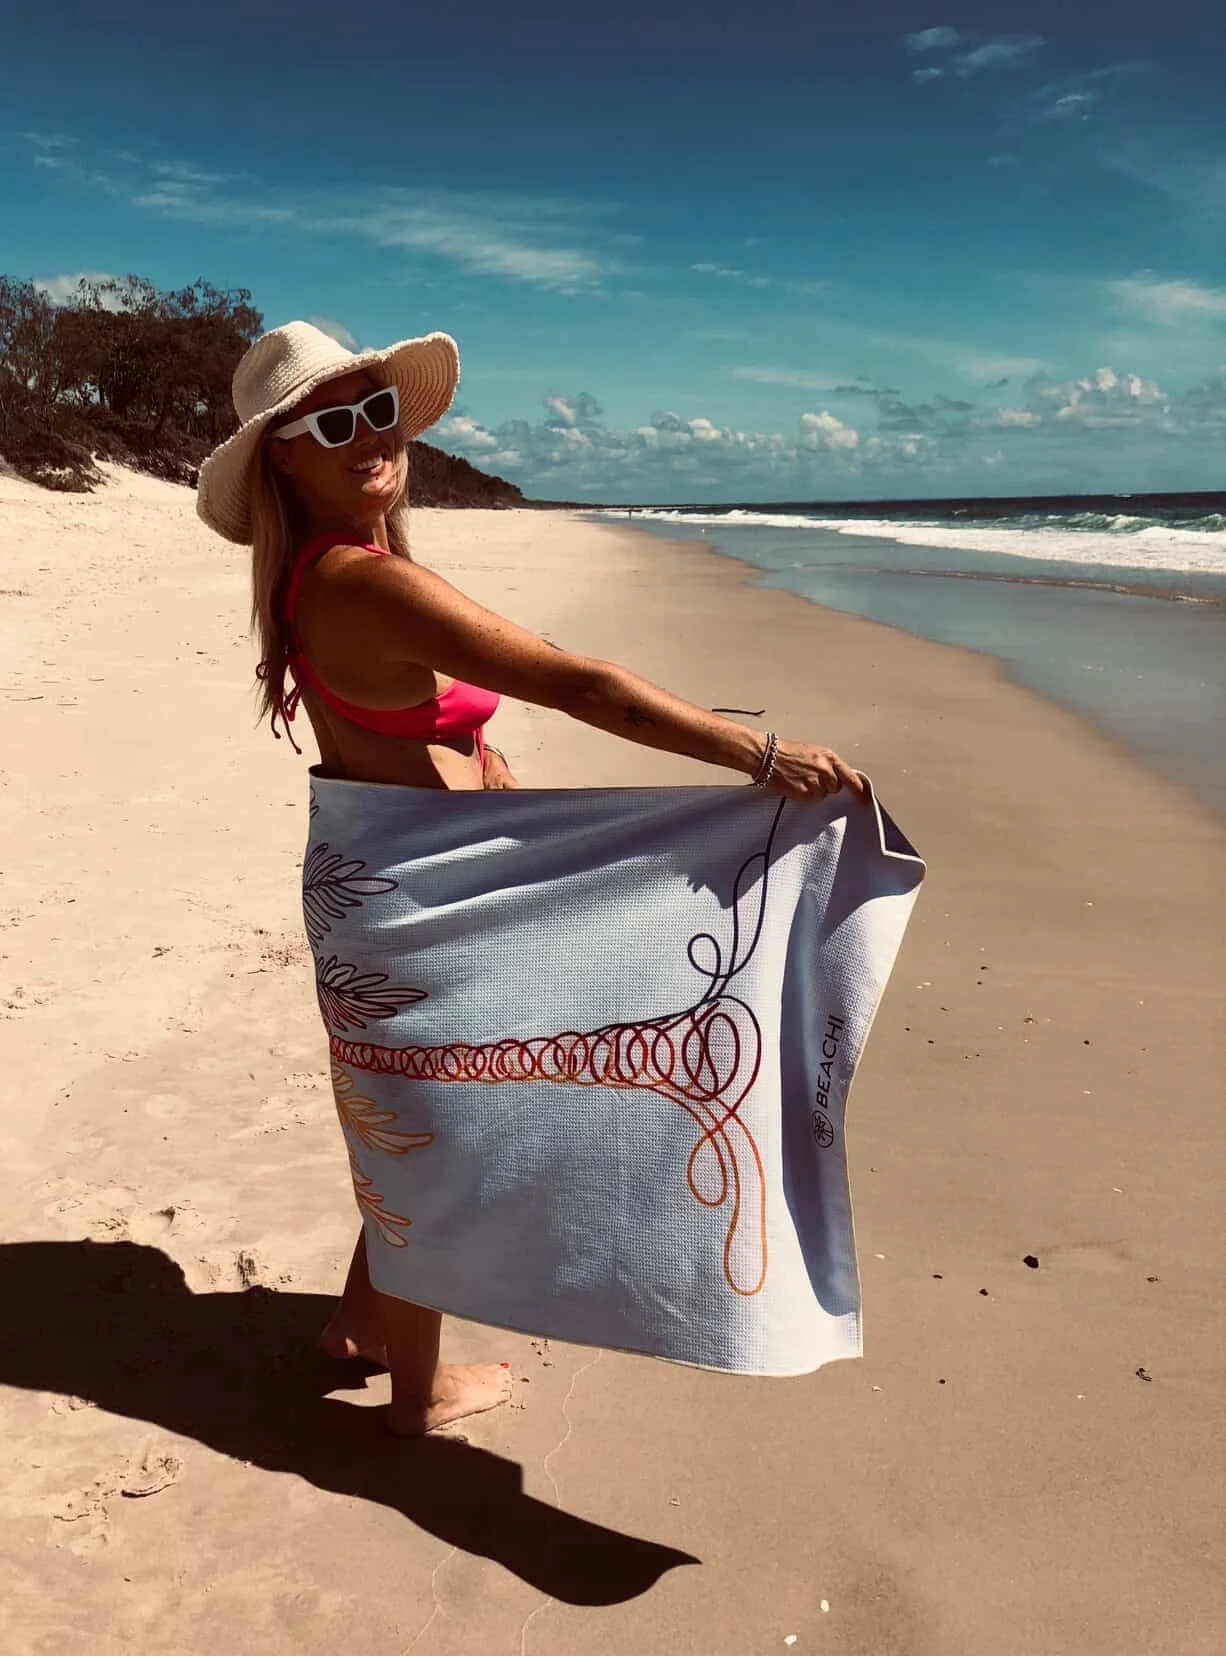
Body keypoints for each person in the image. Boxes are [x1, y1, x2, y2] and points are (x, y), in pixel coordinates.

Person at [197, 321, 866, 1433]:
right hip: (418, 901)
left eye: (379, 414)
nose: (369, 441)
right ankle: (416, 1394)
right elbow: (580, 682)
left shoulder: (349, 566)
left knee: (424, 1112)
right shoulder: (363, 582)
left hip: (417, 879)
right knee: (445, 1133)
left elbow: (416, 718)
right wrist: (757, 755)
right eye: (332, 425)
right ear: (285, 455)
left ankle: (364, 1325)